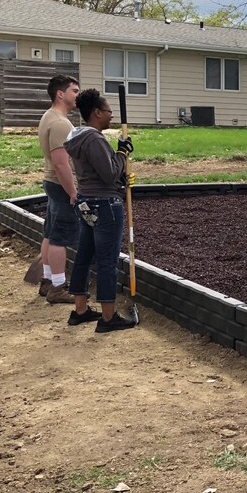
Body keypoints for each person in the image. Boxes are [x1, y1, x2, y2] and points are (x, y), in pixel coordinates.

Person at [64, 88, 138, 332]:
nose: (111, 116)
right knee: (107, 262)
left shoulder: (77, 136)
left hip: (86, 202)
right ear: (96, 112)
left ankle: (80, 310)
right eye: (109, 111)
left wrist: (118, 162)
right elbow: (108, 175)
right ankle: (108, 318)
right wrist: (121, 153)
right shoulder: (94, 139)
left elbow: (101, 172)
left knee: (84, 256)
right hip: (105, 205)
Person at [35, 74, 81, 303]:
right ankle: (58, 288)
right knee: (59, 238)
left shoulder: (48, 116)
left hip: (51, 182)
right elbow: (61, 163)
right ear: (60, 94)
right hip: (60, 184)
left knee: (50, 233)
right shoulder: (60, 123)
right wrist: (73, 192)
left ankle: (47, 281)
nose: (77, 96)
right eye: (74, 91)